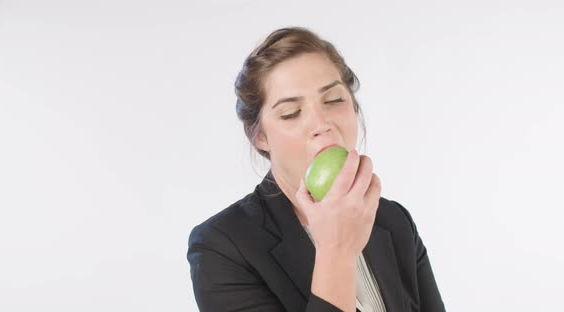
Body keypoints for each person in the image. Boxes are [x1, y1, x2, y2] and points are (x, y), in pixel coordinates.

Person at [186, 26, 446, 312]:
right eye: (291, 113)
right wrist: (337, 251)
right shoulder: (222, 247)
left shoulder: (394, 221)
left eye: (334, 100)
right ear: (260, 136)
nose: (321, 124)